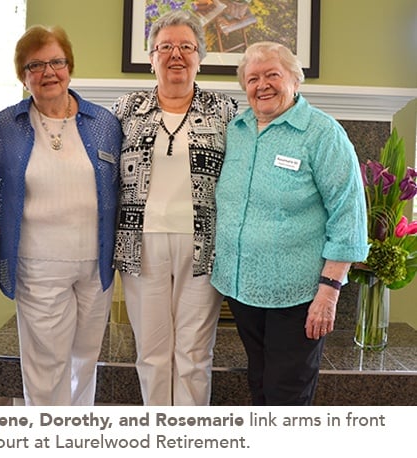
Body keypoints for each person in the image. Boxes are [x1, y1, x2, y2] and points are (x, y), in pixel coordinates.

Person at [211, 42, 369, 405]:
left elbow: (348, 214)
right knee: (261, 382)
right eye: (252, 78)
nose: (262, 85)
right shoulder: (237, 129)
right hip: (243, 290)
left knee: (288, 393)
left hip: (298, 295)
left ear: (295, 80)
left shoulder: (322, 133)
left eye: (272, 75)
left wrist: (329, 290)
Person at [0, 25, 122, 406]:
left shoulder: (104, 123)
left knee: (86, 358)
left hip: (97, 265)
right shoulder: (3, 127)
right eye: (36, 65)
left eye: (57, 62)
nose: (49, 72)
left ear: (69, 66)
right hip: (38, 263)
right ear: (22, 74)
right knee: (46, 363)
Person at [111, 10, 238, 406]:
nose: (176, 55)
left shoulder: (226, 111)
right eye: (165, 47)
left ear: (200, 56)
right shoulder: (125, 109)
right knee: (150, 352)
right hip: (140, 245)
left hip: (203, 247)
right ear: (151, 57)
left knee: (194, 354)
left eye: (186, 46)